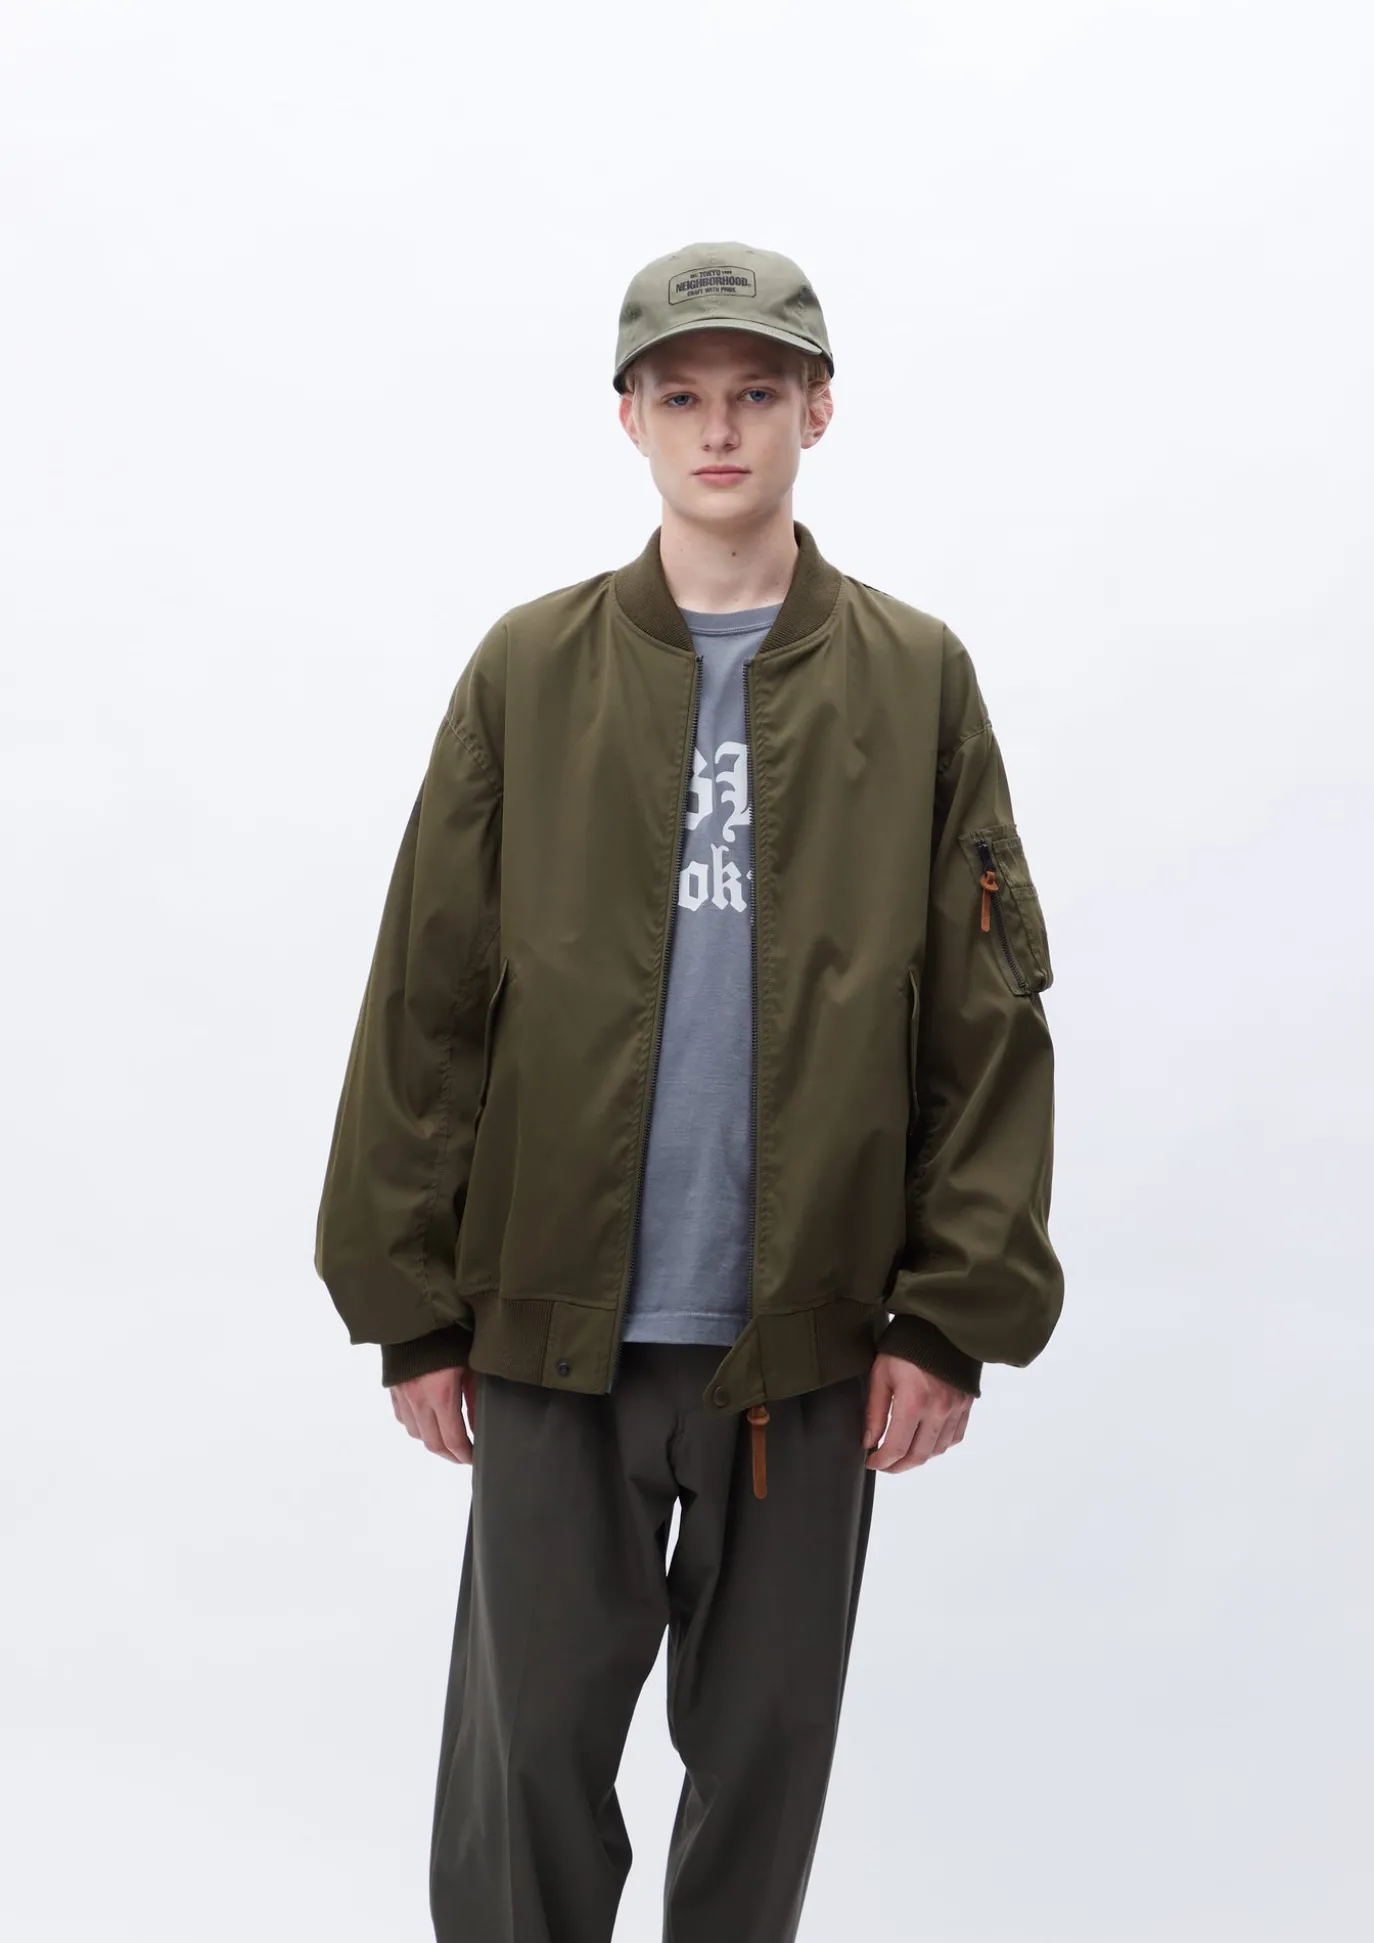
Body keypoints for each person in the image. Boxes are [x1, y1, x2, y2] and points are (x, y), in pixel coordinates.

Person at [313, 238, 1065, 1943]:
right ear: (630, 419)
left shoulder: (914, 678)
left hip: (806, 1339)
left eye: (753, 393)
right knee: (524, 1769)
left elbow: (983, 1018)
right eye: (680, 396)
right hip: (550, 1330)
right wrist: (408, 1302)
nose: (717, 429)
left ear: (816, 410)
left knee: (764, 1765)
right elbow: (424, 995)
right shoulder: (529, 670)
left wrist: (949, 1315)